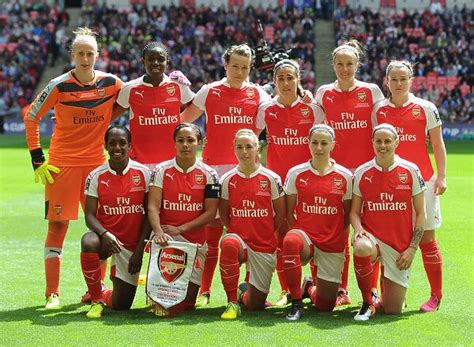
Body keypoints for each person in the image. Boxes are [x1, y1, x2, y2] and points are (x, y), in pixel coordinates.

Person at [23, 27, 123, 309]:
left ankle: (96, 290)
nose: (85, 58)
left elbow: (125, 102)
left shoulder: (112, 83)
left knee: (102, 227)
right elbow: (31, 117)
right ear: (72, 55)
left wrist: (106, 119)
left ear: (97, 55)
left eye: (90, 53)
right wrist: (37, 159)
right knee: (58, 227)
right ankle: (52, 293)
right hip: (62, 165)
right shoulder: (58, 85)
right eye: (80, 53)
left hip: (96, 167)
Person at [181, 44, 271, 307]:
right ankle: (204, 291)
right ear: (225, 65)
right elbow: (185, 119)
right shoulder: (210, 91)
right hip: (213, 172)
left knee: (249, 234)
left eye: (245, 67)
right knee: (210, 235)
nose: (240, 71)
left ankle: (250, 289)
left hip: (246, 174)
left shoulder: (258, 95)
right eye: (235, 66)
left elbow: (276, 115)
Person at [373, 60, 447, 312]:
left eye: (403, 79)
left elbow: (437, 144)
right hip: (390, 185)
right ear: (387, 81)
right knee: (387, 240)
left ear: (411, 81)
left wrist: (442, 176)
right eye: (394, 79)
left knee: (426, 238)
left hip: (423, 182)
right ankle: (391, 295)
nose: (398, 83)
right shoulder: (379, 110)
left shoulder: (425, 108)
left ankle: (436, 295)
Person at [314, 40, 384, 306]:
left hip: (367, 173)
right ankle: (342, 289)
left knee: (371, 229)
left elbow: (381, 128)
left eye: (350, 64)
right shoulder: (323, 93)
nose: (345, 69)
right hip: (337, 174)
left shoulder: (371, 92)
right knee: (339, 230)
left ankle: (374, 288)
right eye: (340, 64)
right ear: (333, 65)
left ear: (358, 65)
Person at [256, 59, 325, 305]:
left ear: (299, 80)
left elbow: (324, 142)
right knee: (281, 236)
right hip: (278, 186)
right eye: (281, 78)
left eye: (290, 78)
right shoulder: (266, 109)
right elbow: (252, 139)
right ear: (274, 81)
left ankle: (316, 285)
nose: (286, 83)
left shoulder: (313, 109)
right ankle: (287, 290)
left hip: (308, 182)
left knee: (315, 233)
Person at [351, 123, 426, 321]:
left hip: (400, 246)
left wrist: (412, 249)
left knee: (392, 310)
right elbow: (354, 212)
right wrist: (358, 229)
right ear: (372, 143)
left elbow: (421, 213)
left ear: (396, 142)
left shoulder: (410, 170)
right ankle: (367, 302)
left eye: (387, 141)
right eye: (378, 141)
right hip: (372, 238)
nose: (382, 145)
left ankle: (384, 295)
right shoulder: (362, 172)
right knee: (361, 247)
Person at [147, 123, 220, 317]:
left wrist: (181, 229)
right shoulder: (161, 170)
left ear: (200, 143)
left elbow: (211, 213)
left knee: (185, 306)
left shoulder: (210, 174)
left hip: (195, 243)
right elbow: (153, 206)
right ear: (174, 143)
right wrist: (159, 232)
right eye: (181, 140)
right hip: (167, 241)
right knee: (163, 306)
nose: (185, 145)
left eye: (190, 140)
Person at [282, 124, 352, 321]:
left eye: (324, 143)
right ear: (308, 144)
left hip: (331, 240)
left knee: (325, 306)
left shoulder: (345, 176)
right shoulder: (296, 173)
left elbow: (347, 214)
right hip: (305, 237)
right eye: (315, 143)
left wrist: (335, 234)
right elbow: (289, 213)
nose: (319, 148)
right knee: (290, 241)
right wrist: (298, 234)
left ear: (333, 145)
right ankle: (295, 303)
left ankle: (308, 287)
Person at [80, 125, 151, 318]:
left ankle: (103, 292)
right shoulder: (95, 176)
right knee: (88, 241)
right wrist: (105, 234)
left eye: (122, 143)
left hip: (132, 246)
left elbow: (149, 215)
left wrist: (139, 251)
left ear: (130, 146)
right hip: (107, 240)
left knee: (122, 306)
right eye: (112, 143)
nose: (117, 148)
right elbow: (89, 216)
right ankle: (96, 299)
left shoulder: (143, 173)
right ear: (105, 146)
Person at [218, 129, 285, 320]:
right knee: (229, 243)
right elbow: (224, 213)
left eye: (249, 146)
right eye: (240, 147)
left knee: (255, 306)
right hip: (239, 241)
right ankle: (232, 302)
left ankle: (243, 292)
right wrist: (234, 231)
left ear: (258, 148)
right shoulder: (227, 179)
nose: (244, 151)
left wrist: (266, 231)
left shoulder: (271, 178)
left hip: (263, 244)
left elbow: (280, 214)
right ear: (234, 149)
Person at [115, 42, 195, 169]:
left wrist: (178, 121)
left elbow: (196, 107)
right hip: (140, 163)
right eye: (151, 59)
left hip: (172, 162)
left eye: (161, 59)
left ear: (167, 62)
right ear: (143, 61)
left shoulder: (178, 85)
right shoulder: (130, 89)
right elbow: (111, 115)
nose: (156, 63)